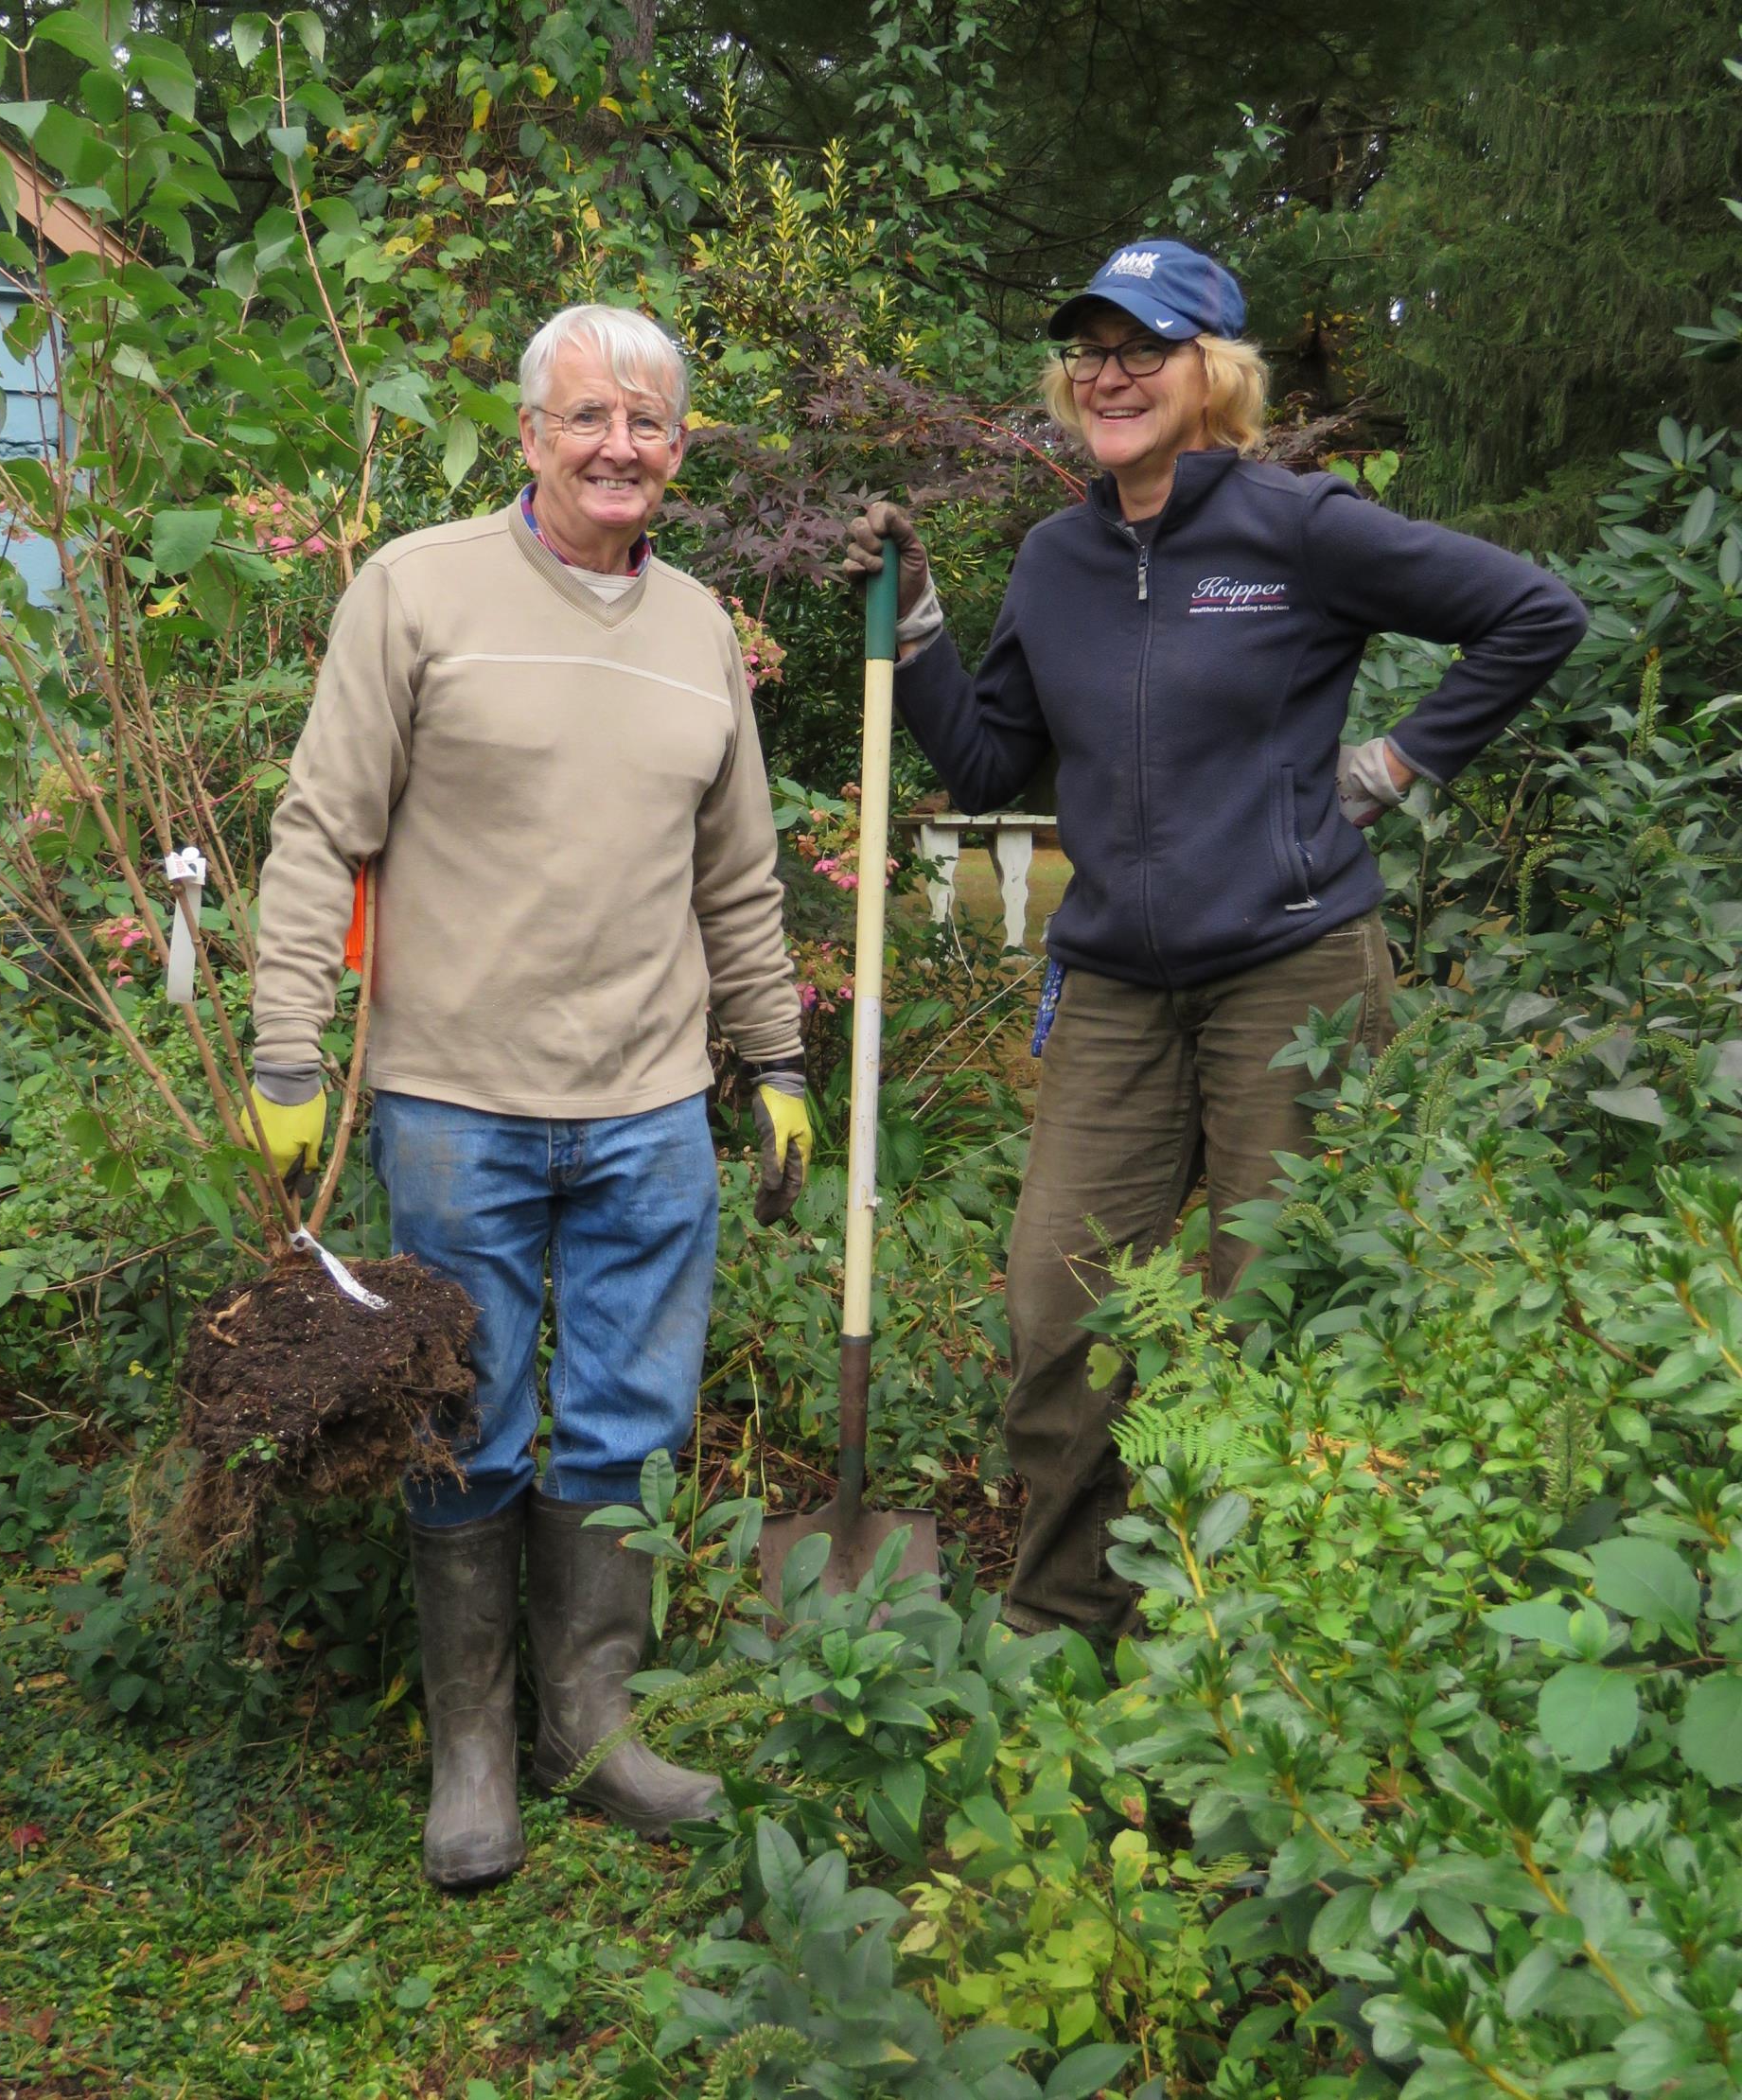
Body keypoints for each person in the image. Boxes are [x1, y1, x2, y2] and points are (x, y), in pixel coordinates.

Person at [844, 238, 1587, 1638]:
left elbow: (1532, 614)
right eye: (1087, 351)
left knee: (1277, 1309)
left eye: (1141, 347)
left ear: (1214, 372)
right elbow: (995, 763)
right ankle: (1067, 1616)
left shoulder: (1298, 527)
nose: (1106, 374)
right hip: (1118, 983)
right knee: (1060, 1308)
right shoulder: (1056, 559)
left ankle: (1259, 1645)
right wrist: (925, 622)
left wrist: (1395, 766)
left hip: (1291, 970)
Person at [242, 304, 813, 1888]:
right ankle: (474, 1749)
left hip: (647, 1102)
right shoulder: (417, 591)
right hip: (454, 1098)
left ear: (681, 449)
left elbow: (740, 878)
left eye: (649, 423)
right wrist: (290, 1050)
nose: (618, 446)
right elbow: (320, 830)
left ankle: (593, 1722)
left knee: (628, 1418)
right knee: (467, 1420)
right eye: (587, 419)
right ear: (530, 435)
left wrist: (772, 1063)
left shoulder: (702, 629)